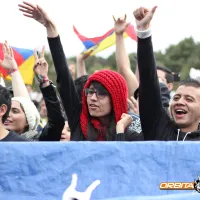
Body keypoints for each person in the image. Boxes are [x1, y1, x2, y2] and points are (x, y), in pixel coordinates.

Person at [18, 2, 143, 141]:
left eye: (101, 93)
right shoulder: (79, 121)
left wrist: (120, 131)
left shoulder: (131, 134)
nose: (93, 98)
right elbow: (64, 79)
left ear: (116, 98)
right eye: (89, 92)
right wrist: (50, 29)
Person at [134, 5, 200, 141]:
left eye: (189, 99)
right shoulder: (158, 128)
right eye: (176, 98)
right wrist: (143, 32)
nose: (179, 102)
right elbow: (148, 81)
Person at [0, 41, 65, 141]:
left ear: (28, 120)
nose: (8, 114)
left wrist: (44, 81)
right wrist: (13, 71)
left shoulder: (37, 143)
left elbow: (56, 122)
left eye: (15, 111)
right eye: (7, 110)